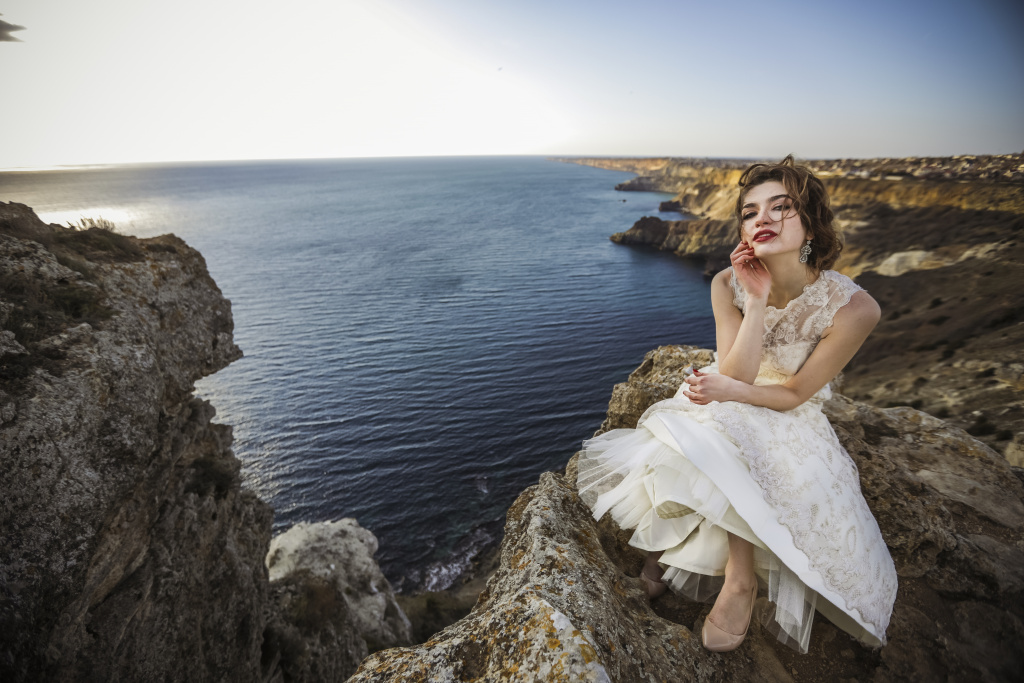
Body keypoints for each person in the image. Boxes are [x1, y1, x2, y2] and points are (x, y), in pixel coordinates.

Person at [575, 155, 897, 654]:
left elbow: (792, 393)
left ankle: (739, 580)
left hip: (787, 408)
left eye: (781, 207)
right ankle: (668, 548)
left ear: (812, 222)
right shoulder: (727, 284)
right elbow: (736, 372)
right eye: (750, 212)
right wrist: (758, 298)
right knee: (712, 423)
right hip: (732, 385)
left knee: (728, 421)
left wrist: (730, 392)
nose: (762, 218)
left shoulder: (855, 307)